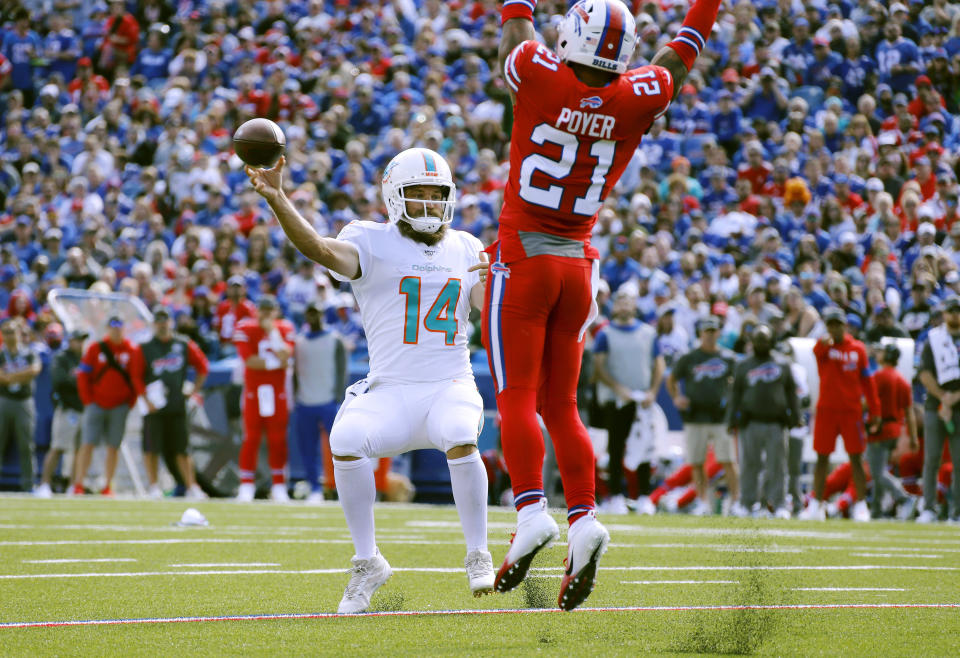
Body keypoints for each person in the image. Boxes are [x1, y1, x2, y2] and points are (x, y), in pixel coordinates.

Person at [490, 0, 723, 610]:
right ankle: (585, 519)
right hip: (579, 264)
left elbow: (516, 31)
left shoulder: (539, 72)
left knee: (516, 397)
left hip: (523, 255)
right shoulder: (637, 95)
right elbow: (683, 49)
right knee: (561, 403)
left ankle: (531, 509)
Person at [245, 147, 494, 614]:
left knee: (461, 434)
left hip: (449, 383)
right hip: (391, 389)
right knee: (346, 437)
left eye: (436, 194)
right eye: (416, 194)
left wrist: (505, 281)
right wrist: (279, 199)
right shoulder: (369, 239)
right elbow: (318, 249)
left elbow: (491, 310)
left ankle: (477, 551)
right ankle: (368, 561)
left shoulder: (466, 246)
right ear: (394, 197)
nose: (427, 204)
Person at [800, 306, 880, 522]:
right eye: (831, 324)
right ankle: (816, 503)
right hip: (827, 410)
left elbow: (868, 381)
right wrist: (824, 345)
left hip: (851, 411)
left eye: (837, 324)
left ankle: (861, 504)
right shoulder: (823, 346)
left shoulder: (858, 348)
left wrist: (875, 409)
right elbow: (817, 356)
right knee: (822, 458)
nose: (834, 328)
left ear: (844, 325)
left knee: (856, 457)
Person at [592, 286, 664, 514]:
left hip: (642, 401)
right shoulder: (605, 334)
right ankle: (615, 496)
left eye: (628, 300)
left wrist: (653, 390)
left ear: (634, 304)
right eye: (620, 299)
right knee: (615, 448)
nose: (624, 304)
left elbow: (659, 363)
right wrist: (618, 388)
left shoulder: (648, 333)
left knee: (644, 448)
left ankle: (644, 496)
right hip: (616, 401)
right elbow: (599, 367)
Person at [667, 316, 741, 515]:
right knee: (696, 461)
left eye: (713, 331)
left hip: (720, 417)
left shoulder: (728, 358)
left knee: (728, 460)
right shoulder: (689, 357)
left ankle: (736, 501)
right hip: (695, 416)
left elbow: (739, 382)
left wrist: (733, 399)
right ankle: (701, 501)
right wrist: (677, 397)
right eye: (706, 331)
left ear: (718, 333)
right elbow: (672, 379)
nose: (709, 335)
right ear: (700, 333)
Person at [726, 325, 801, 519]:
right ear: (753, 342)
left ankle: (779, 504)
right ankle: (747, 503)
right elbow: (735, 395)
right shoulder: (743, 365)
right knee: (749, 465)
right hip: (750, 421)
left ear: (771, 341)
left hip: (776, 422)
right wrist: (730, 419)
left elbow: (791, 394)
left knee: (777, 466)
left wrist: (796, 417)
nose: (762, 344)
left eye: (765, 340)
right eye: (758, 340)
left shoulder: (782, 364)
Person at [138, 305, 209, 500]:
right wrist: (145, 399)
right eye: (158, 321)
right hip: (153, 406)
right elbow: (136, 377)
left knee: (182, 449)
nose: (162, 325)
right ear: (153, 324)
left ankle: (191, 487)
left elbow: (203, 366)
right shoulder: (145, 347)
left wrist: (194, 390)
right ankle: (153, 487)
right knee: (151, 448)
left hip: (177, 404)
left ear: (171, 322)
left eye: (165, 320)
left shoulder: (183, 344)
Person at [233, 294, 296, 502]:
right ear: (256, 310)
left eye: (270, 310)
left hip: (277, 391)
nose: (266, 314)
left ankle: (278, 485)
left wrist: (272, 331)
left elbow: (287, 355)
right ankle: (246, 484)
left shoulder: (284, 328)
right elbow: (249, 361)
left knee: (277, 439)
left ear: (276, 311)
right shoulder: (245, 328)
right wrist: (277, 363)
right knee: (250, 438)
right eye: (263, 309)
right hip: (253, 391)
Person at [74, 316, 143, 496]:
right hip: (96, 403)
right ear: (107, 329)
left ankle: (107, 485)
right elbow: (83, 375)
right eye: (113, 327)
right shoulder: (96, 348)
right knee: (87, 443)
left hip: (119, 406)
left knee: (113, 446)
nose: (116, 331)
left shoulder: (132, 350)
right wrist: (88, 400)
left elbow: (136, 378)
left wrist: (130, 402)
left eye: (119, 327)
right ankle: (78, 484)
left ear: (124, 329)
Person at [293, 301, 347, 503]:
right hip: (305, 402)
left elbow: (342, 370)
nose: (313, 317)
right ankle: (315, 487)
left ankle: (341, 488)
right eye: (309, 314)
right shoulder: (299, 342)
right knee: (308, 449)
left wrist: (337, 398)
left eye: (316, 313)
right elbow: (295, 373)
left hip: (328, 403)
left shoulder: (335, 340)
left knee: (340, 448)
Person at [916, 294, 960, 523]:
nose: (955, 314)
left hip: (958, 407)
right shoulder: (933, 338)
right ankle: (929, 508)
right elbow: (924, 374)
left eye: (958, 310)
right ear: (944, 313)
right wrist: (944, 397)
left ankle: (957, 512)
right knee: (931, 458)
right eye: (951, 310)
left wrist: (955, 398)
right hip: (936, 406)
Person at [867, 343, 918, 520]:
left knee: (877, 472)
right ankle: (876, 511)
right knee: (881, 470)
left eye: (881, 351)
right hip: (895, 430)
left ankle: (904, 498)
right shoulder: (902, 380)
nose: (878, 354)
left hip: (879, 429)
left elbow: (868, 402)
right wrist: (913, 437)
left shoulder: (879, 376)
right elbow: (909, 411)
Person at [36, 328, 88, 498]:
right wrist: (81, 381)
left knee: (80, 450)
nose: (80, 344)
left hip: (84, 408)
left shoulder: (86, 358)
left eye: (82, 340)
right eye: (77, 340)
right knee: (58, 447)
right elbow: (60, 381)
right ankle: (44, 484)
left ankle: (74, 485)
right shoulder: (62, 357)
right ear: (70, 340)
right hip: (67, 408)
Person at [0, 319, 41, 492]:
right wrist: (18, 376)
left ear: (19, 333)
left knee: (26, 444)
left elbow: (34, 370)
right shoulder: (1, 354)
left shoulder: (28, 352)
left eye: (12, 331)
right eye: (6, 332)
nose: (9, 335)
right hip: (4, 400)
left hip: (24, 401)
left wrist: (10, 377)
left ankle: (29, 484)